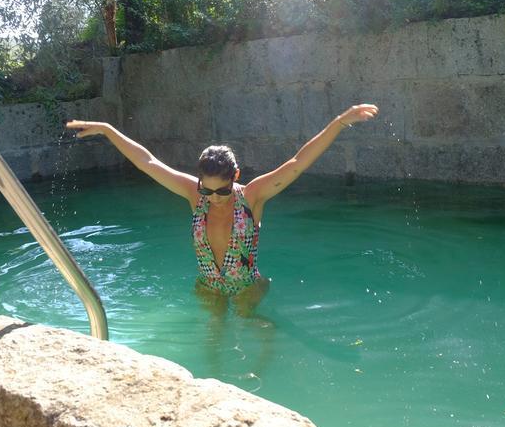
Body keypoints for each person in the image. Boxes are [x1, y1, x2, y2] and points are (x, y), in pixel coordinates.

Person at [66, 104, 379, 310]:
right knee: (212, 342)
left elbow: (297, 163)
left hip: (247, 290)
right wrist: (108, 129)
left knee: (252, 329)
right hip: (208, 288)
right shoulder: (195, 195)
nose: (214, 197)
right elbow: (147, 162)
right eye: (208, 189)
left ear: (236, 177)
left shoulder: (253, 196)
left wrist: (339, 123)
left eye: (223, 190)